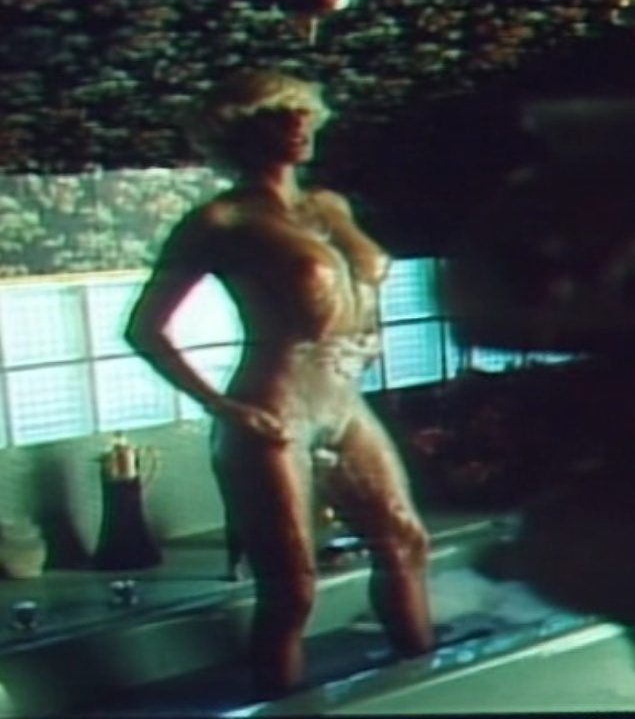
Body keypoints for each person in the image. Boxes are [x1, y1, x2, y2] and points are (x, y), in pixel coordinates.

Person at [123, 69, 434, 699]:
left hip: (342, 395)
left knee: (406, 542)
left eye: (303, 112)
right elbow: (144, 329)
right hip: (276, 403)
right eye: (277, 115)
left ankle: (432, 690)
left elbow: (363, 283)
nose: (298, 125)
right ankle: (282, 705)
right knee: (292, 587)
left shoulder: (329, 206)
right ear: (237, 132)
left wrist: (369, 336)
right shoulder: (220, 221)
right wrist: (223, 408)